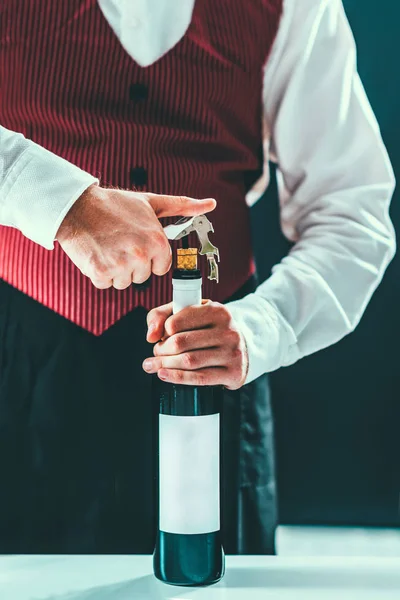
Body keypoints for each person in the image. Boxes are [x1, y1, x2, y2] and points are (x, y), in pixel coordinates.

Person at [0, 0, 395, 554]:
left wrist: (260, 327)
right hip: (20, 363)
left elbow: (351, 211)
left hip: (217, 380)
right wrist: (63, 204)